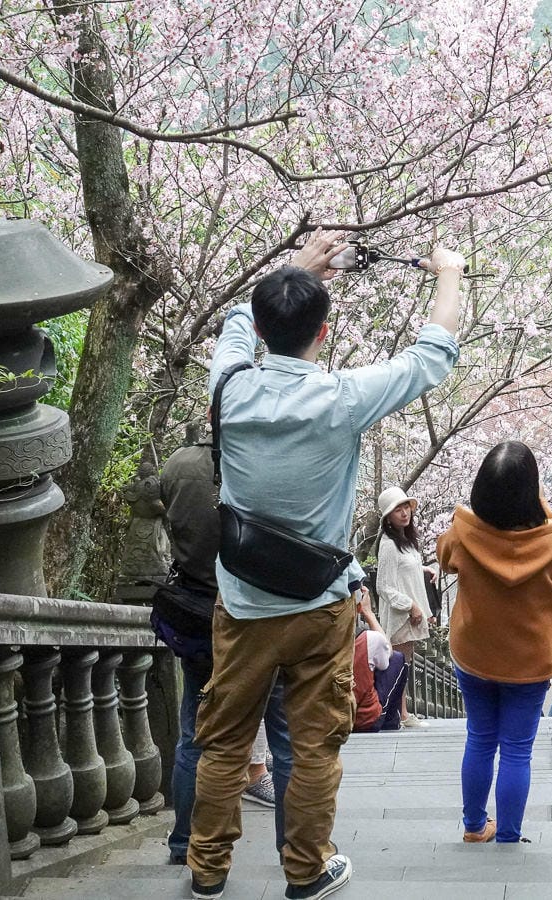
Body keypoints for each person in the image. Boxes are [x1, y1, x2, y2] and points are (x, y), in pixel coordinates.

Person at [187, 231, 463, 900]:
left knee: (224, 739)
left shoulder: (230, 385)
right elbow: (430, 357)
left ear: (260, 328)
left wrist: (292, 270)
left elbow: (233, 325)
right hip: (317, 604)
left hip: (244, 601)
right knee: (314, 743)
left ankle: (207, 868)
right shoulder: (343, 398)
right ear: (326, 329)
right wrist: (448, 274)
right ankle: (307, 869)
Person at [158, 422, 292, 866]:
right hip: (254, 613)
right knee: (284, 738)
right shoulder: (259, 464)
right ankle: (295, 850)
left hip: (196, 610)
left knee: (194, 736)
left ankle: (184, 843)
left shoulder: (176, 464)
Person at [438, 441, 552, 843]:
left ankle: (473, 826)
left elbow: (444, 555)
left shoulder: (463, 534)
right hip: (530, 661)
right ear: (531, 493)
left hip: (475, 653)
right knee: (517, 750)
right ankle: (508, 834)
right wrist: (544, 508)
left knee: (480, 738)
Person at [375, 486, 433, 729]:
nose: (403, 513)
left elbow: (404, 570)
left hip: (410, 614)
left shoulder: (405, 541)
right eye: (397, 509)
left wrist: (424, 569)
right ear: (388, 516)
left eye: (405, 506)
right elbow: (384, 586)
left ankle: (401, 713)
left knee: (404, 662)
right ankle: (402, 713)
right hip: (401, 616)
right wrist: (411, 606)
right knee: (400, 663)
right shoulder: (388, 544)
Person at [351, 588, 406, 733]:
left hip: (326, 720)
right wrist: (368, 613)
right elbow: (388, 652)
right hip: (364, 720)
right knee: (397, 658)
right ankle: (391, 721)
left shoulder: (315, 637)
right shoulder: (368, 639)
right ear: (358, 607)